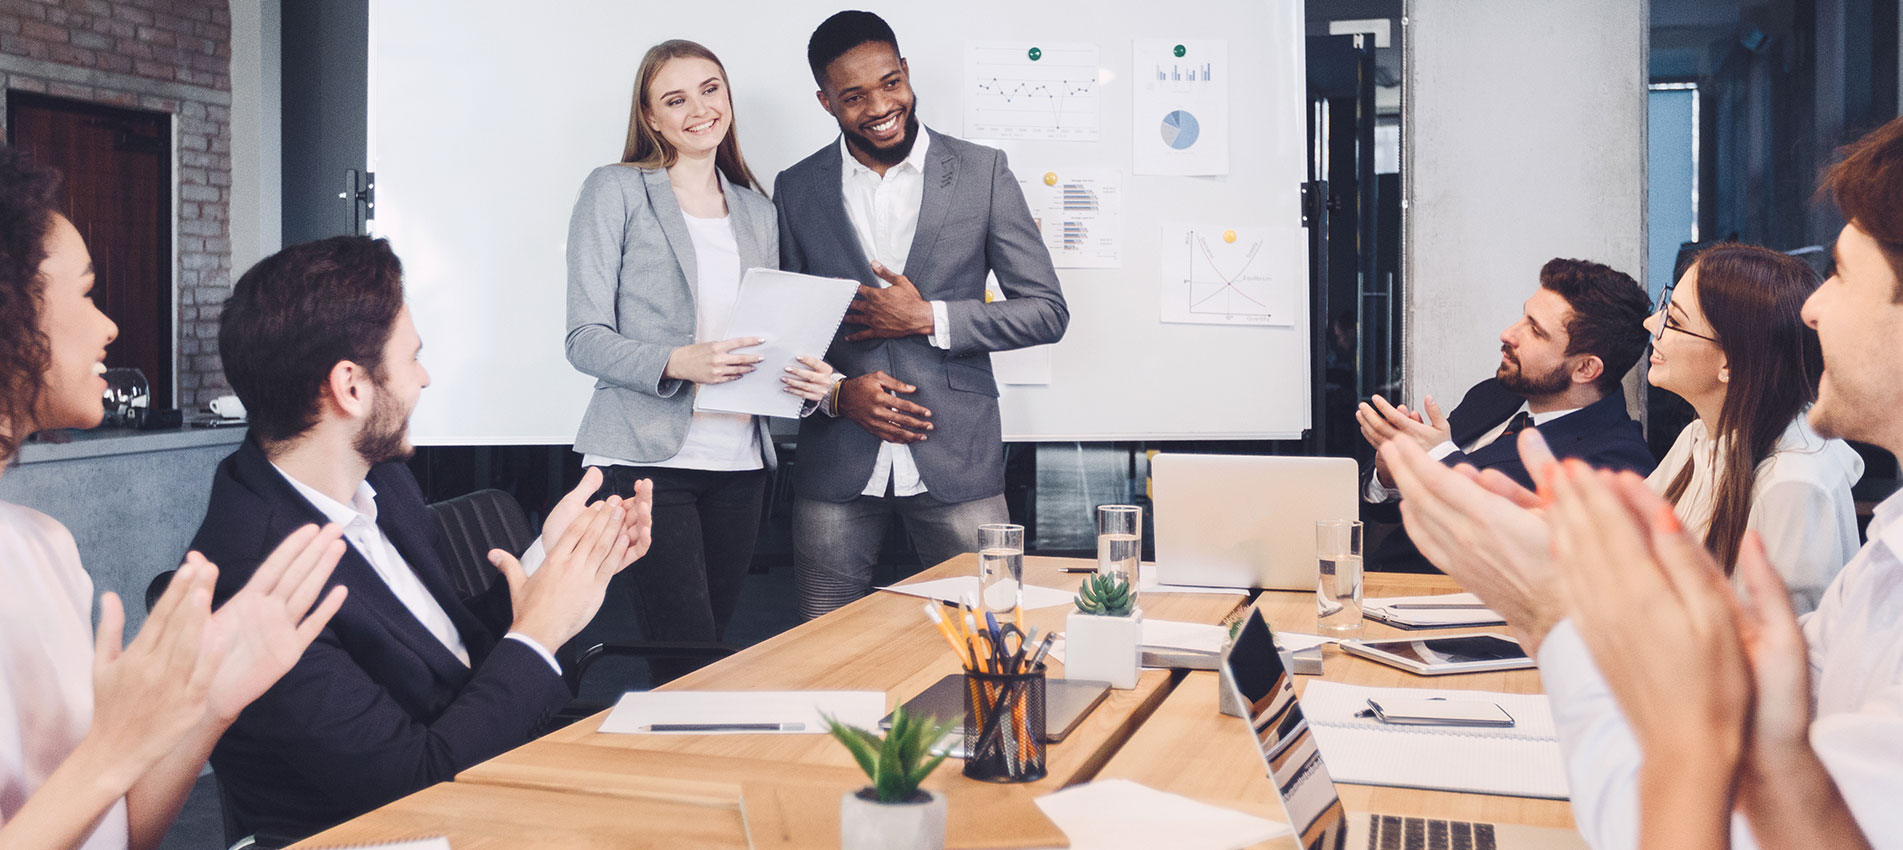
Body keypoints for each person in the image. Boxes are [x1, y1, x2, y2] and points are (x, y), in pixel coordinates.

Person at [1380, 116, 1903, 850]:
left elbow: (1715, 802)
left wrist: (1555, 614)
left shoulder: (1793, 482)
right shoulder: (1859, 531)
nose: (1812, 310)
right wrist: (1566, 556)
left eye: (1842, 276)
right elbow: (1753, 699)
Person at [189, 236, 655, 846]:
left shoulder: (382, 482)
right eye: (412, 359)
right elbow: (413, 788)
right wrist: (540, 632)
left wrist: (555, 556)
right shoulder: (254, 578)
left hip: (493, 795)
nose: (425, 378)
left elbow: (450, 656)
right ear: (351, 387)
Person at [0, 145, 347, 850]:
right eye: (86, 293)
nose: (108, 327)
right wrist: (109, 754)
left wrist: (213, 701)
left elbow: (117, 834)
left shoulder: (43, 546)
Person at [774, 11, 1068, 618]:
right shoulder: (796, 188)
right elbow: (785, 334)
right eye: (854, 96)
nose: (881, 106)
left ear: (906, 71)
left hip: (958, 456)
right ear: (826, 102)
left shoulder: (984, 172)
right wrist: (837, 395)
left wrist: (929, 317)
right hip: (837, 459)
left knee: (993, 634)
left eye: (890, 83)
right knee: (825, 645)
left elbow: (1046, 312)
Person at [565, 39, 836, 681]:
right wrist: (678, 361)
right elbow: (583, 338)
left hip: (741, 466)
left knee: (706, 657)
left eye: (710, 90)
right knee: (683, 659)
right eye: (675, 99)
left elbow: (771, 339)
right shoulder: (616, 190)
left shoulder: (758, 210)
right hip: (647, 461)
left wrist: (811, 382)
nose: (699, 109)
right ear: (651, 118)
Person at [1356, 258, 1656, 572]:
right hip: (1378, 581)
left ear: (1585, 368)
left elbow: (1523, 553)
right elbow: (1413, 510)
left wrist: (1437, 456)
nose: (1508, 333)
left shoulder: (1616, 463)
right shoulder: (1494, 394)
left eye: (1536, 331)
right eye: (1523, 317)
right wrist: (1391, 477)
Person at [1641, 244, 1862, 612]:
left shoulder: (1792, 482)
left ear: (1730, 362)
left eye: (1674, 321)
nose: (1651, 325)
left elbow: (1787, 636)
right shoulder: (1701, 436)